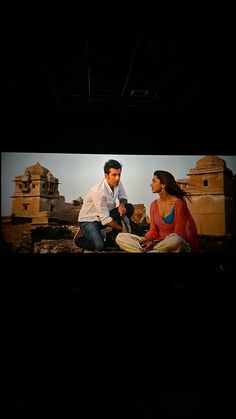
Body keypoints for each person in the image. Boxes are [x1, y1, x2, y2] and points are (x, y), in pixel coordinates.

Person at [115, 170, 201, 253]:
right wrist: (148, 240)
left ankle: (147, 250)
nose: (151, 184)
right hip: (157, 243)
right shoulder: (154, 205)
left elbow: (179, 234)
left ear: (163, 185)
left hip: (170, 243)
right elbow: (153, 230)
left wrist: (154, 242)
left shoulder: (179, 204)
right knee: (120, 237)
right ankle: (151, 250)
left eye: (154, 181)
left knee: (176, 241)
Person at [73, 159, 145, 252]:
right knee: (99, 246)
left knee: (129, 207)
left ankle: (112, 237)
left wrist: (121, 205)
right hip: (89, 220)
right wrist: (123, 229)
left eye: (119, 174)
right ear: (106, 175)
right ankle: (80, 239)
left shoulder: (118, 182)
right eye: (114, 175)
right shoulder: (98, 191)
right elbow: (106, 220)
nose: (118, 178)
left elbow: (123, 197)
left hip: (106, 215)